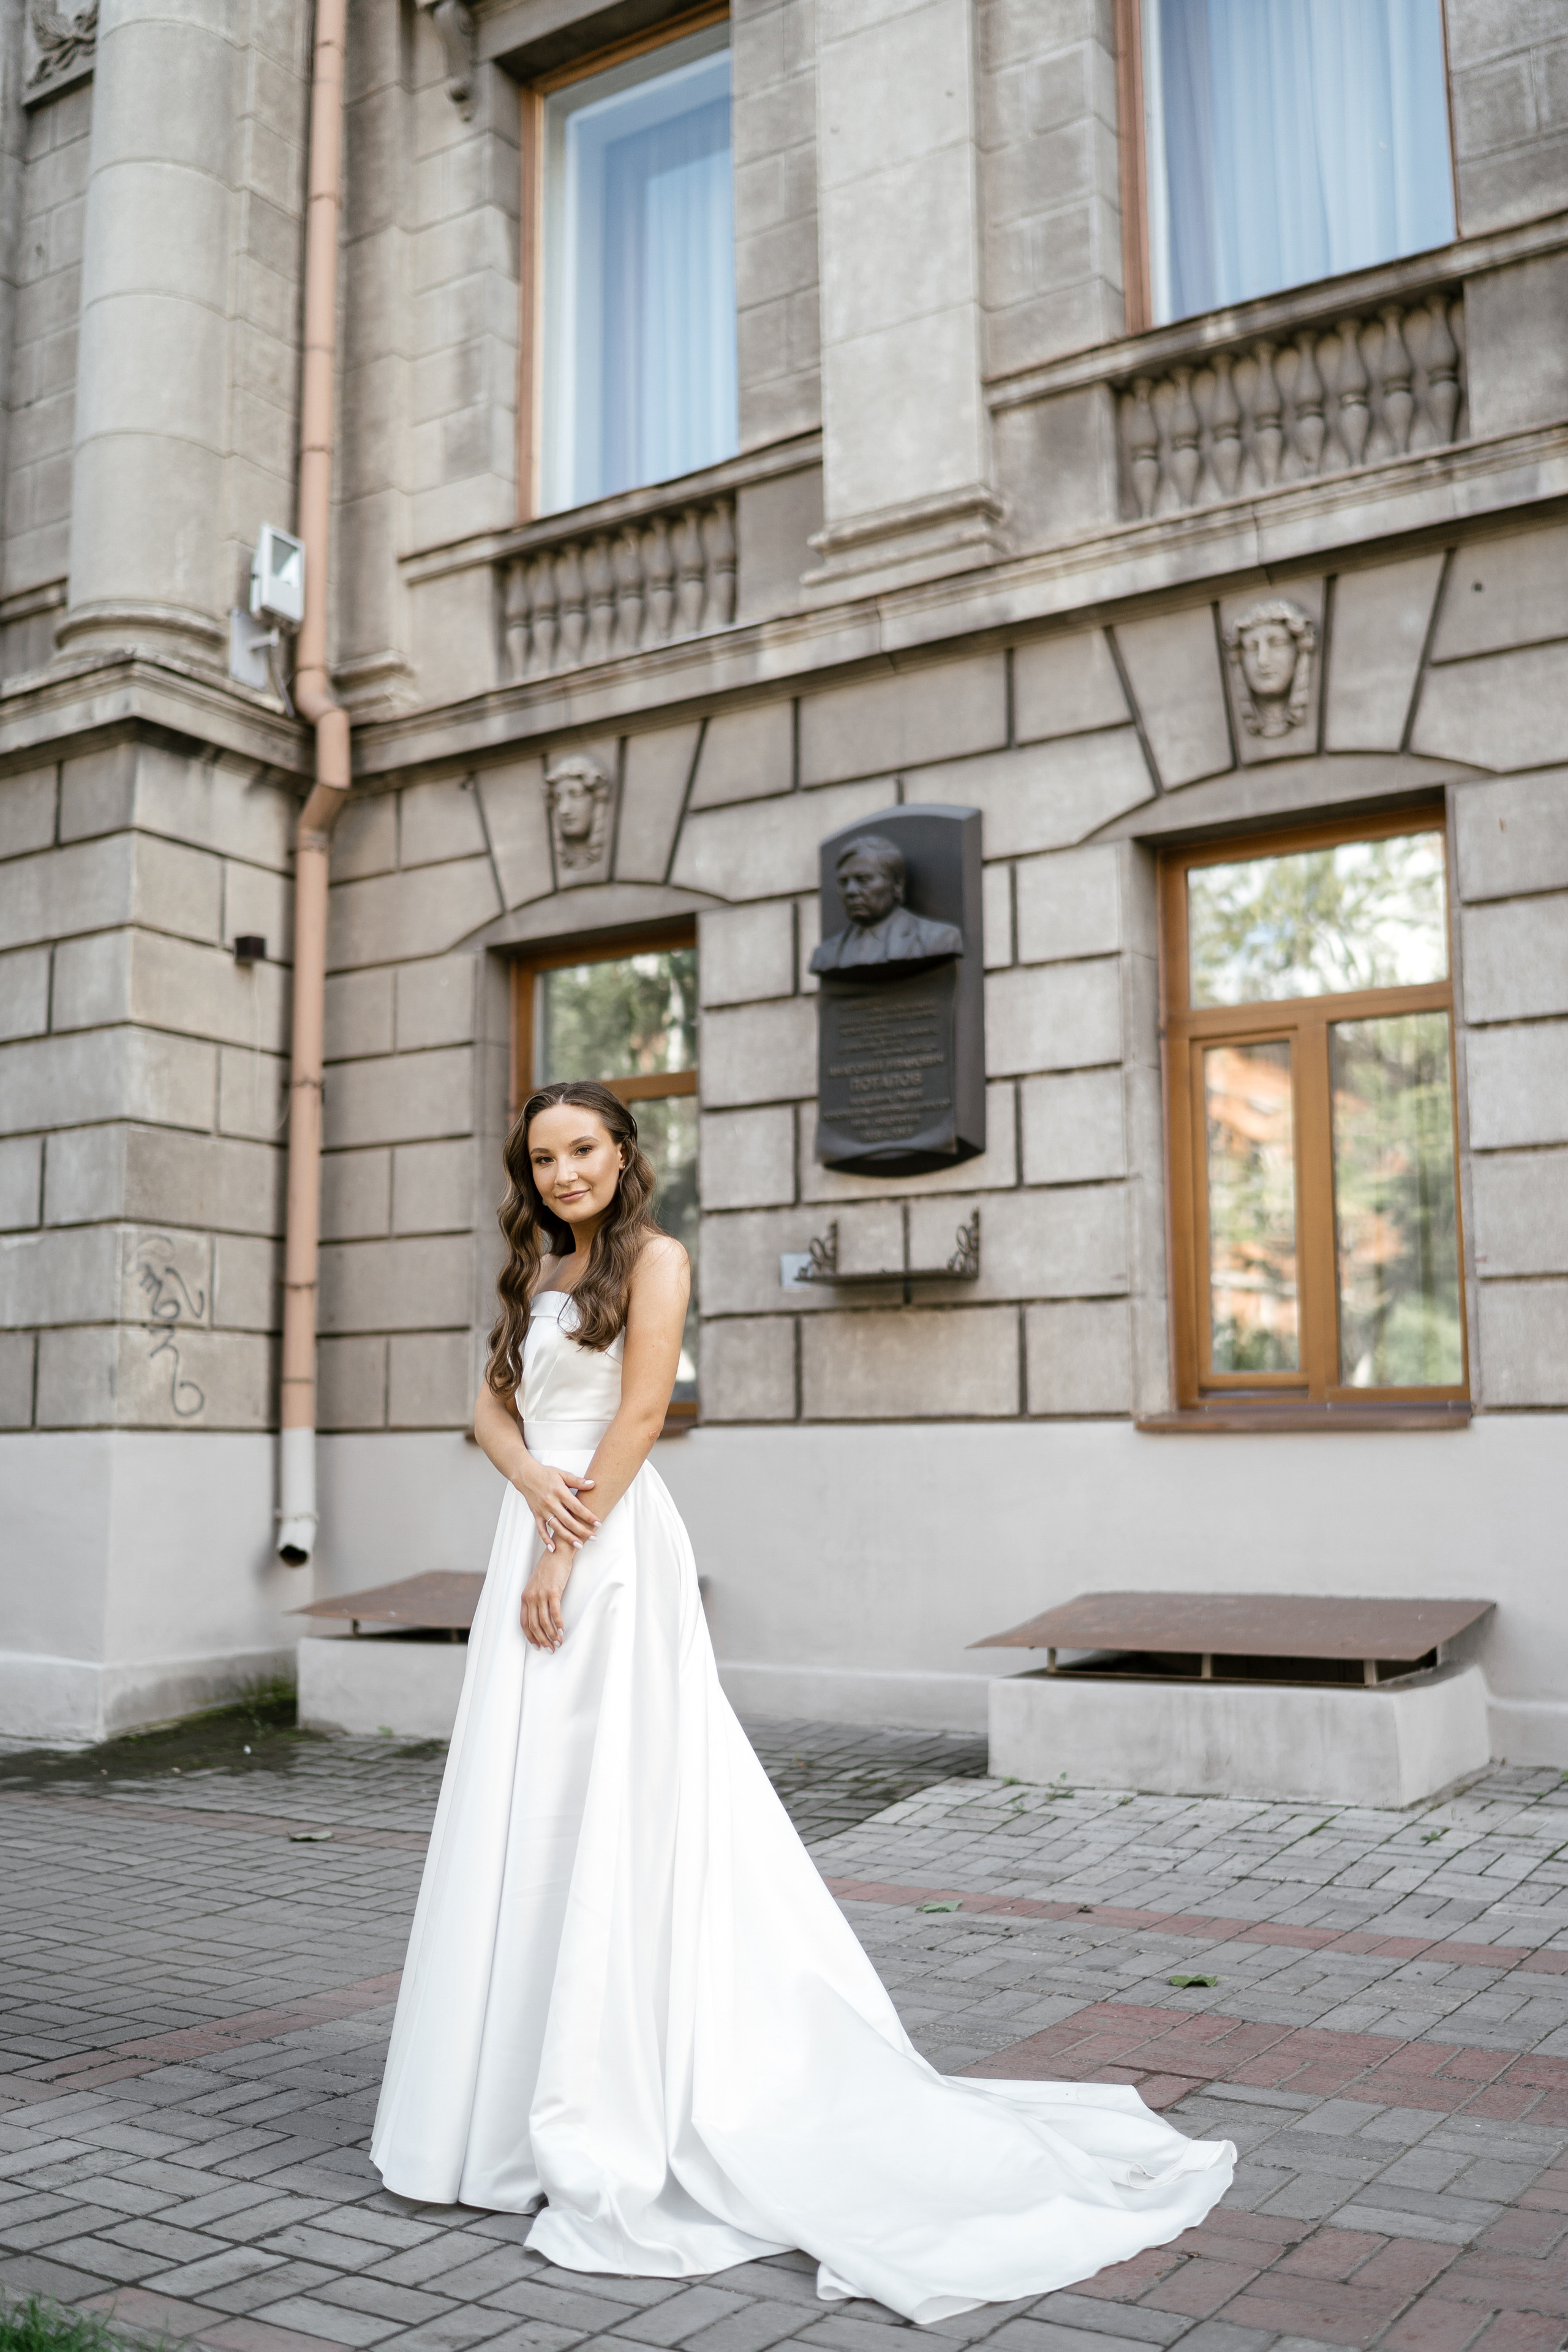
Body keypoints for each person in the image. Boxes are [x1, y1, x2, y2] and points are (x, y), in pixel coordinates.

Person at [371, 1079, 1234, 2323]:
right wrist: (525, 1490)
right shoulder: (534, 1267)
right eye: (541, 1157)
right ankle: (493, 2101)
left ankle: (617, 2084)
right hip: (541, 1524)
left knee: (611, 1800)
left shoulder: (655, 1261)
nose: (561, 1173)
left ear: (622, 1155)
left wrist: (569, 1540)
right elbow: (489, 1403)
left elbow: (646, 1408)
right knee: (525, 1803)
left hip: (608, 1551)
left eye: (581, 1151)